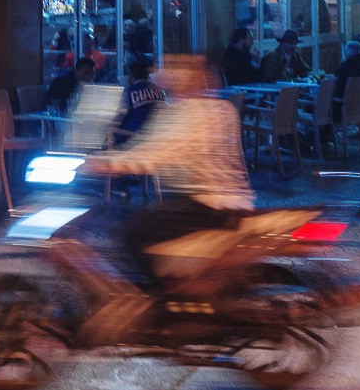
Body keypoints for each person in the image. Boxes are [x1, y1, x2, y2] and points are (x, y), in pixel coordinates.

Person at [84, 54, 254, 325]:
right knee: (151, 220)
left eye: (173, 69)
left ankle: (160, 303)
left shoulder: (188, 114)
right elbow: (153, 149)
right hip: (229, 202)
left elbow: (152, 154)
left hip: (208, 206)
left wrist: (96, 163)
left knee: (133, 231)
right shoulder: (219, 109)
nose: (163, 74)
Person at [115, 57, 168, 141]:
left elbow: (120, 115)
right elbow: (166, 112)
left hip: (133, 137)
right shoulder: (159, 91)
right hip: (158, 136)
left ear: (131, 76)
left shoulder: (130, 91)